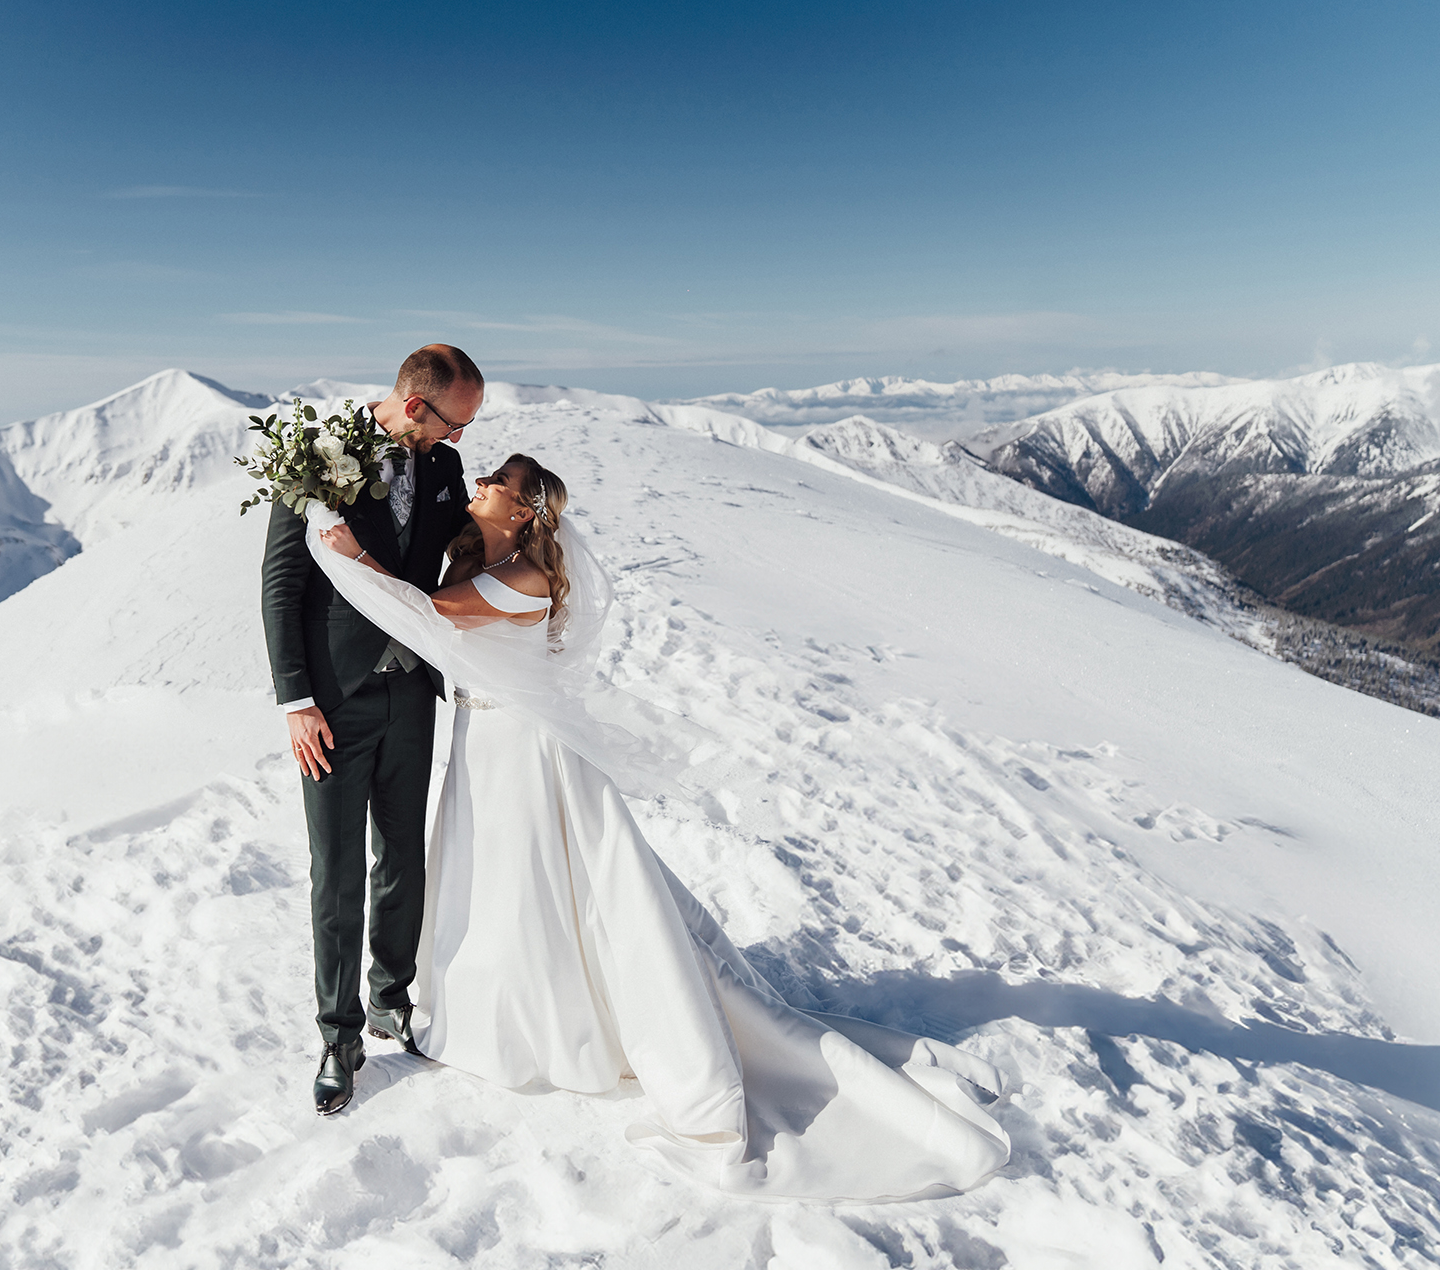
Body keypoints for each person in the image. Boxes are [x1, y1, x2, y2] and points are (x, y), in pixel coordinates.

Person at [312, 455, 1013, 1200]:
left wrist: (344, 551)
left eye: (498, 482)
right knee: (491, 883)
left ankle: (555, 1029)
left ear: (522, 513)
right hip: (483, 745)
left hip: (523, 753)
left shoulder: (524, 578)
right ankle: (496, 1015)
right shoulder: (487, 557)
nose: (480, 481)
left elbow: (431, 614)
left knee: (530, 885)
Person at [259, 344, 484, 1116]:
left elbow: (457, 556)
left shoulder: (447, 470)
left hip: (412, 694)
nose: (458, 441)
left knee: (403, 857)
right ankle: (339, 1036)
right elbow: (282, 584)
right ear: (417, 406)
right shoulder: (317, 456)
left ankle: (391, 997)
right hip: (333, 703)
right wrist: (296, 701)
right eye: (454, 423)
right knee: (338, 871)